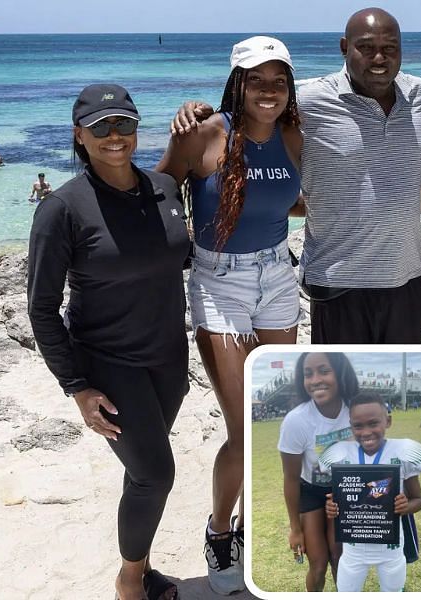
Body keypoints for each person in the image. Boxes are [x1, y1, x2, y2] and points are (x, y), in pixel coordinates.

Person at [171, 8, 421, 344]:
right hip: (337, 283)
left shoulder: (417, 93)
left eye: (390, 47)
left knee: (401, 404)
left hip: (408, 280)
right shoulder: (310, 101)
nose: (379, 58)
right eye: (366, 48)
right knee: (341, 401)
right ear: (343, 47)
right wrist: (197, 111)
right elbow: (254, 111)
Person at [26, 84, 189, 600]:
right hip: (108, 364)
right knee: (155, 474)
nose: (115, 136)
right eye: (100, 127)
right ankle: (128, 581)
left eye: (124, 124)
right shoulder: (61, 208)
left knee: (141, 471)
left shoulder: (164, 187)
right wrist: (76, 386)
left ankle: (140, 568)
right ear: (80, 134)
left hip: (167, 360)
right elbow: (40, 307)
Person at [155, 35, 302, 596]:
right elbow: (153, 190)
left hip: (278, 279)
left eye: (279, 81)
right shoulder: (204, 132)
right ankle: (220, 532)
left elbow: (295, 199)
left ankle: (254, 523)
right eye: (257, 80)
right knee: (245, 426)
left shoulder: (293, 132)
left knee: (276, 423)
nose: (269, 91)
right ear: (237, 83)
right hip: (219, 283)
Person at [320, 392, 421, 592]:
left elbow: (419, 500)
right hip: (354, 549)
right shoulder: (341, 454)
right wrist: (331, 507)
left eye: (373, 423)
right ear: (350, 426)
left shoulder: (402, 452)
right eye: (358, 426)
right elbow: (339, 501)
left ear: (387, 421)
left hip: (391, 548)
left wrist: (406, 506)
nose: (366, 432)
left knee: (393, 592)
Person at [277, 352, 359, 592]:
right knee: (319, 563)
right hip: (310, 492)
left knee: (339, 556)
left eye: (324, 371)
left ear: (340, 373)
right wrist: (295, 529)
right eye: (308, 374)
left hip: (343, 491)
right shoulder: (296, 421)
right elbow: (291, 479)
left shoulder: (355, 409)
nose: (315, 380)